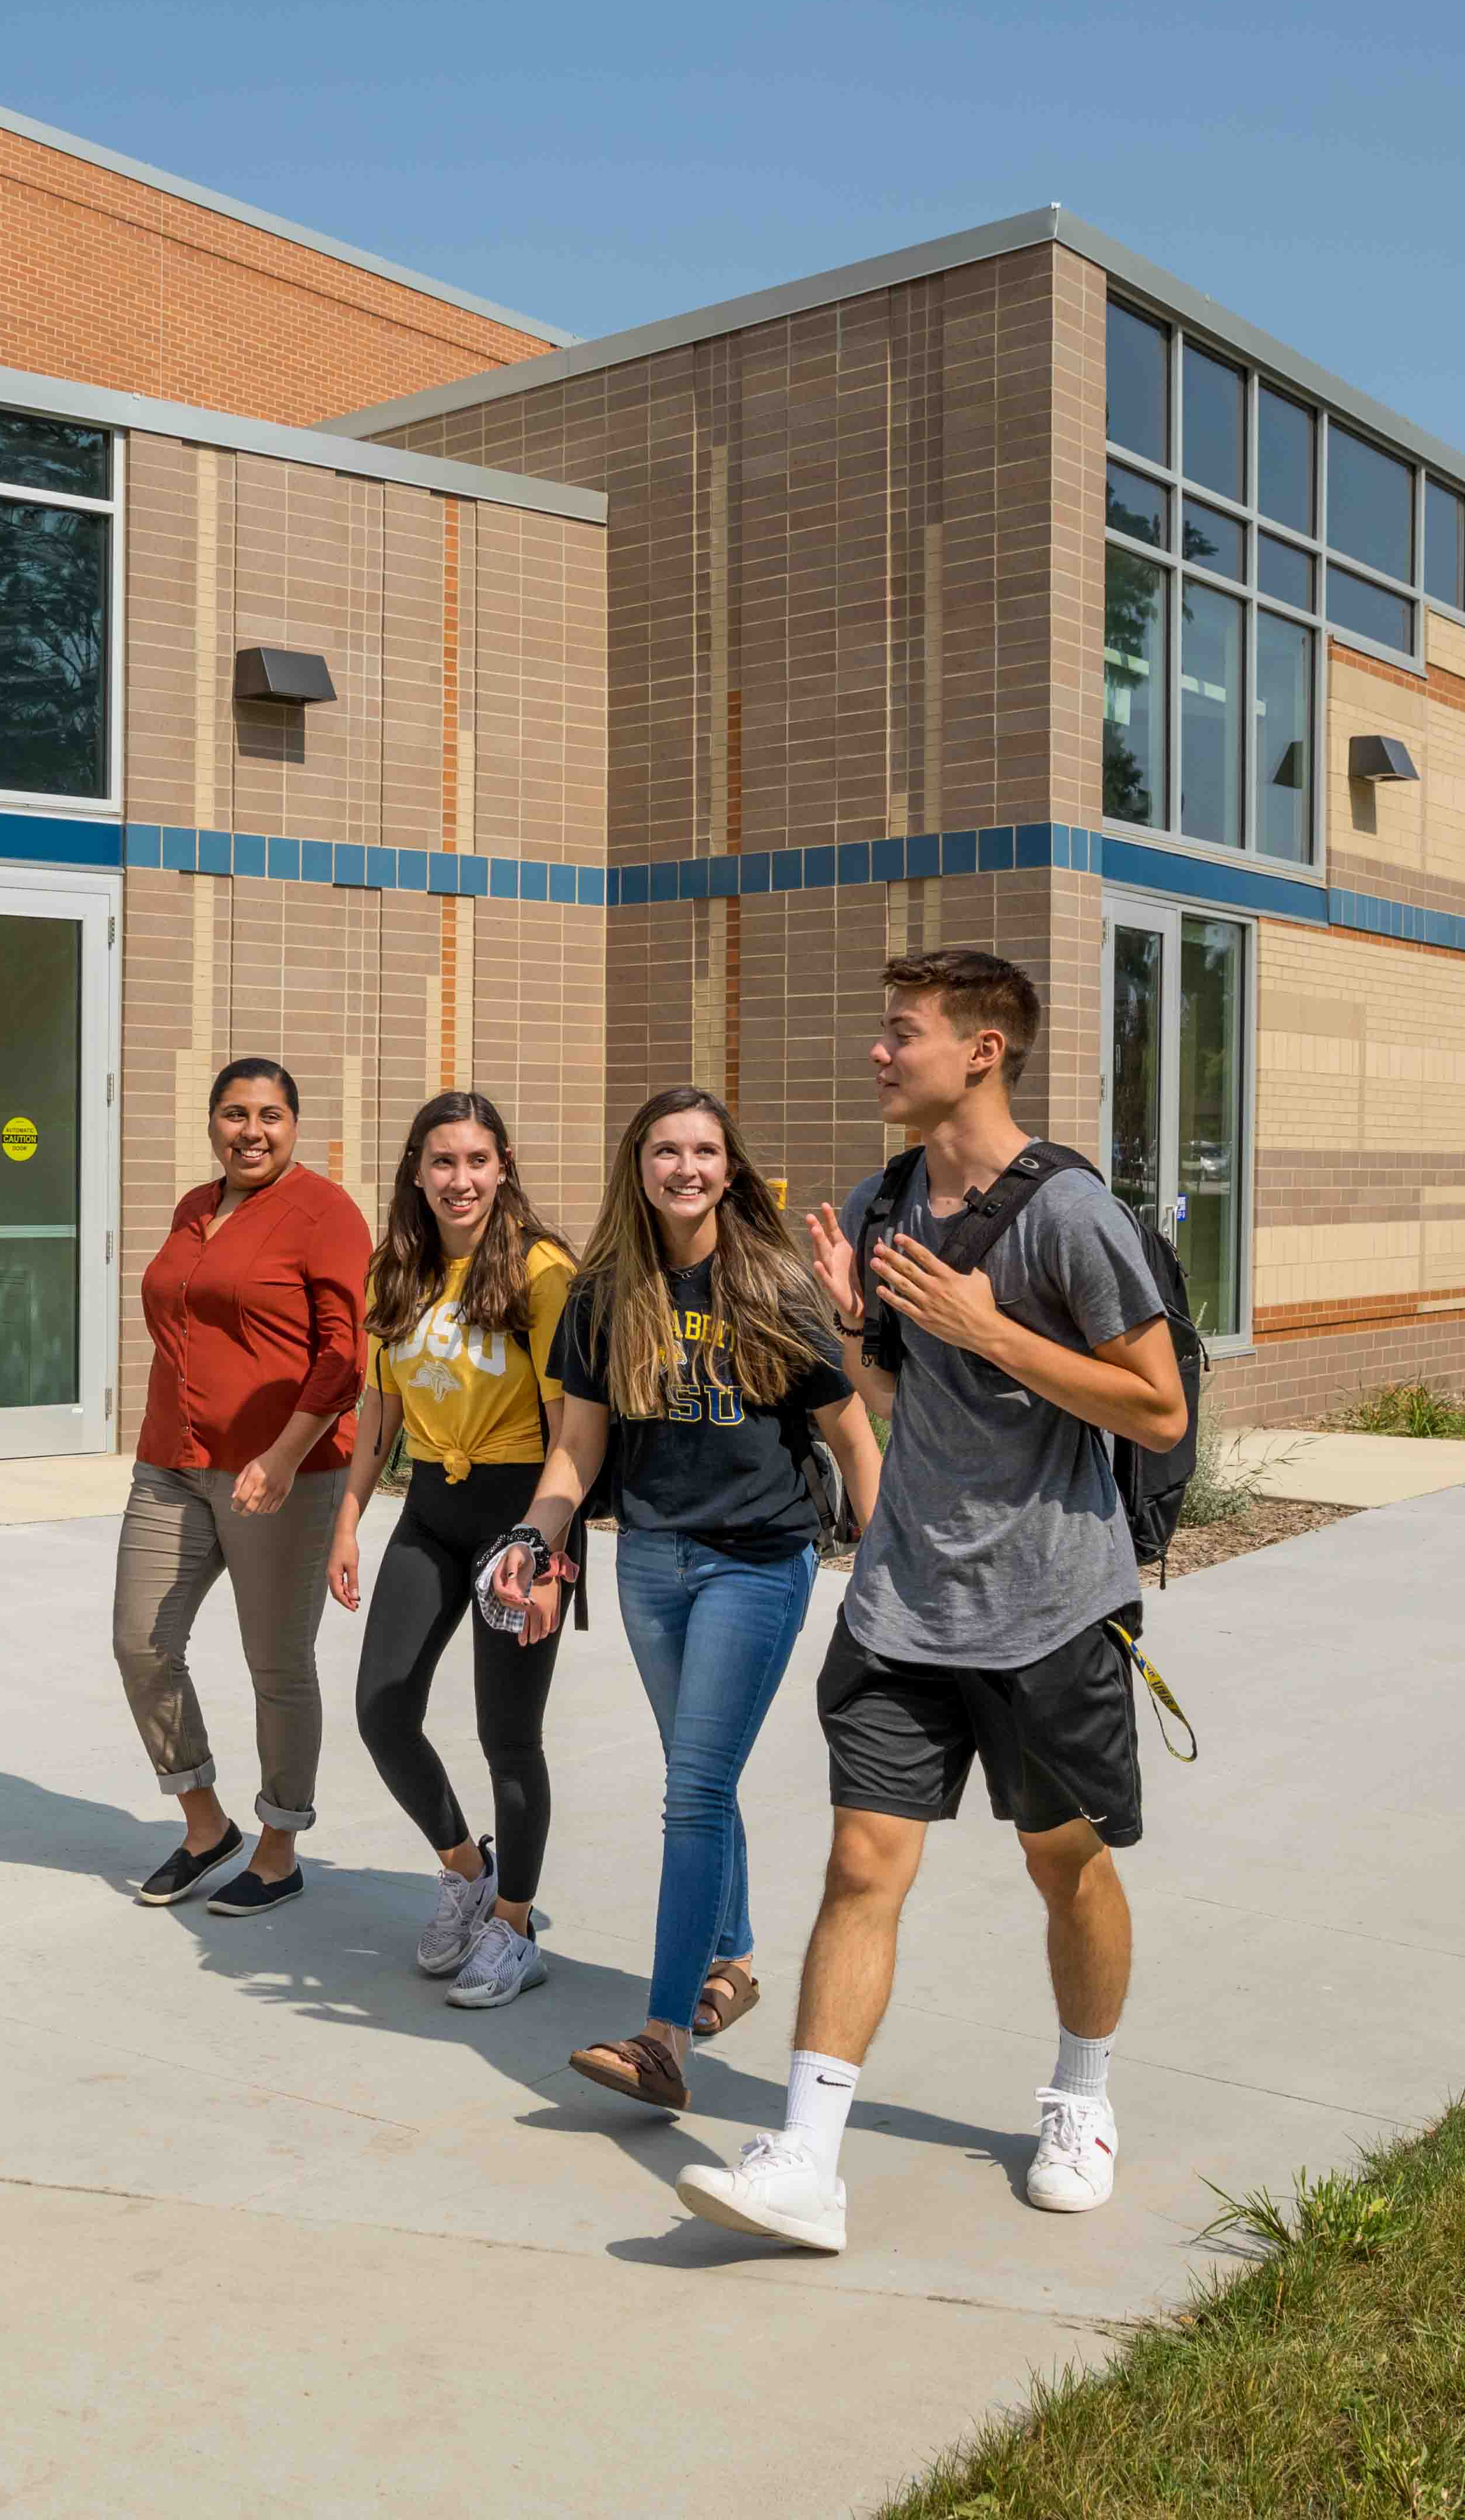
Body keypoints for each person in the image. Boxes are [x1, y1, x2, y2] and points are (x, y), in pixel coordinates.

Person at [674, 946, 1187, 2258]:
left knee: (1061, 1862)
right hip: (904, 1599)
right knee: (860, 1862)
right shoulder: (884, 1196)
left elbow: (1156, 1403)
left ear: (983, 1050)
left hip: (1051, 1607)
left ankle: (1081, 2093)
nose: (877, 1053)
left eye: (901, 1032)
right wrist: (862, 1329)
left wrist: (987, 1325)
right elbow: (908, 1403)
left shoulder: (1071, 1214)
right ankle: (807, 2157)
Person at [484, 1086, 883, 2111]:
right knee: (696, 1773)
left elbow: (849, 1435)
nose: (687, 1168)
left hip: (757, 1561)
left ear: (730, 1169)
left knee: (694, 1790)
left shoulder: (776, 1285)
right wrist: (538, 1533)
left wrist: (889, 1568)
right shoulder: (605, 1293)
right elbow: (578, 1445)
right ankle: (735, 1962)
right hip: (651, 1564)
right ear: (639, 1167)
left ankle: (663, 2039)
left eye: (705, 1150)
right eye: (667, 1151)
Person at [329, 1092, 578, 2009]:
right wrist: (350, 1519)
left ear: (503, 1166)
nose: (460, 1180)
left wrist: (550, 1556)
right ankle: (467, 1869)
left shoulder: (543, 1273)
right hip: (431, 1508)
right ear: (417, 1171)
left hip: (522, 1512)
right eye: (443, 1162)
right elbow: (378, 1410)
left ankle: (515, 1927)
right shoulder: (395, 1268)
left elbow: (571, 1433)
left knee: (508, 1737)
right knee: (382, 1708)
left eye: (477, 1161)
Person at [115, 1057, 371, 1917]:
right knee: (142, 1646)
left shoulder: (326, 1213)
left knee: (277, 1665)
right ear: (213, 1122)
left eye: (269, 1115)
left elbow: (345, 1355)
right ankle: (203, 1826)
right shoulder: (195, 1207)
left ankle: (277, 1845)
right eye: (234, 1114)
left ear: (294, 1124)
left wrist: (289, 1453)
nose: (250, 1131)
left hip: (282, 1476)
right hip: (171, 1463)